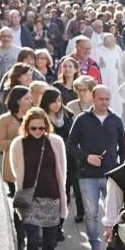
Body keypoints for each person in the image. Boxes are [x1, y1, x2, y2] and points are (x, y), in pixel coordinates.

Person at [9, 107, 67, 250]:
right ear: (26, 126)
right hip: (29, 199)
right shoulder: (19, 144)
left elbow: (63, 173)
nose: (37, 132)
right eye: (33, 128)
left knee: (49, 243)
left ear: (47, 127)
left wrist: (63, 202)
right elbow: (16, 170)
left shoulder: (55, 142)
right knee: (33, 241)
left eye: (41, 128)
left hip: (51, 197)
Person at [66, 85, 125, 250]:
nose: (104, 102)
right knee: (91, 214)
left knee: (114, 212)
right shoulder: (82, 119)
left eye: (107, 99)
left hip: (111, 176)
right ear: (93, 99)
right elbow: (70, 145)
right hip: (87, 175)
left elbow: (123, 147)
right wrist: (87, 157)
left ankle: (114, 246)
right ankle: (96, 248)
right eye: (101, 99)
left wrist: (119, 168)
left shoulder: (116, 120)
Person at [0, 86, 34, 250]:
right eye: (27, 98)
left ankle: (31, 235)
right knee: (20, 204)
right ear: (17, 100)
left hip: (32, 168)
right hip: (13, 169)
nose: (30, 101)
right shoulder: (5, 119)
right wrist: (17, 142)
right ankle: (21, 239)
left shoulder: (34, 118)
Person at [40, 88, 79, 236]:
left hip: (67, 158)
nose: (57, 104)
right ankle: (49, 225)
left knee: (65, 193)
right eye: (53, 101)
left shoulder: (68, 115)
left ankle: (58, 226)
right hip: (48, 160)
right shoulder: (41, 117)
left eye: (59, 101)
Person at [93, 33, 123, 115]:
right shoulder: (98, 51)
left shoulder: (118, 50)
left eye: (113, 41)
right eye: (110, 41)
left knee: (116, 105)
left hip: (116, 84)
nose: (113, 42)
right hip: (103, 83)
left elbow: (121, 66)